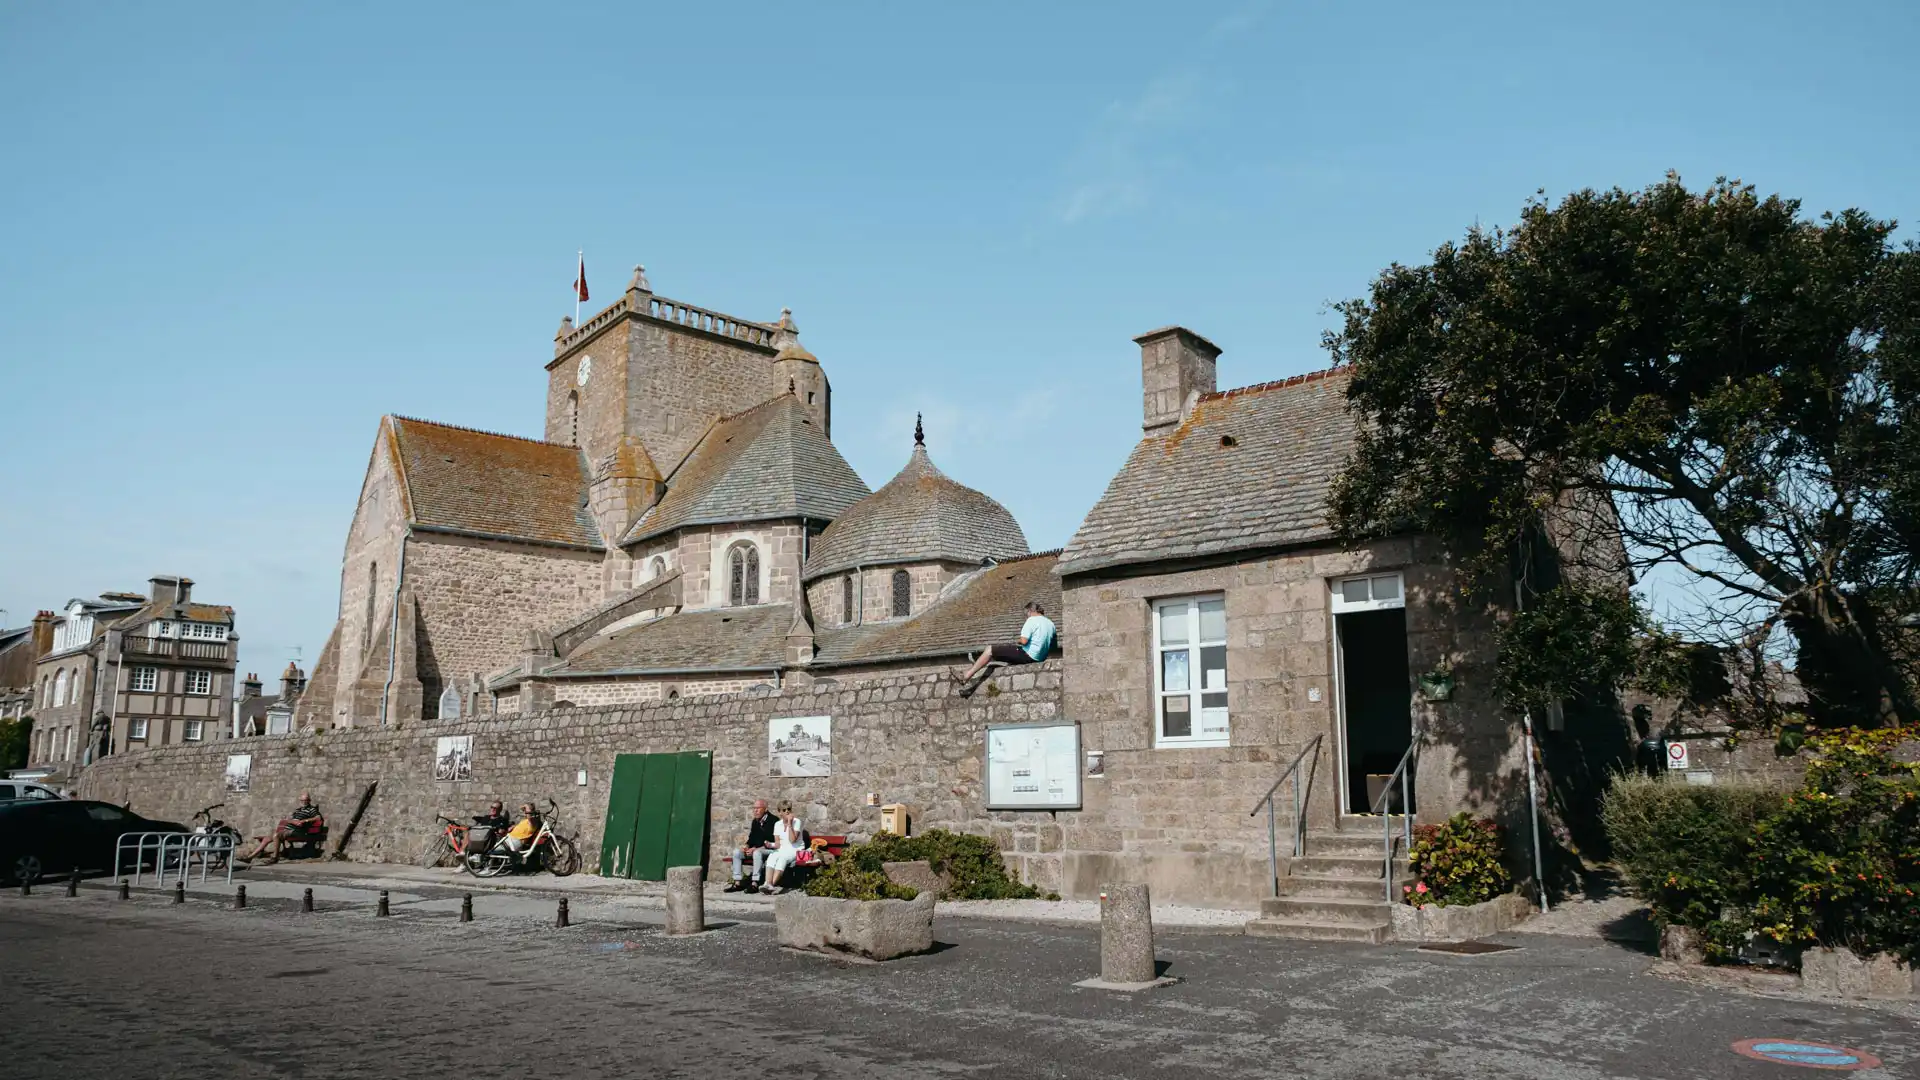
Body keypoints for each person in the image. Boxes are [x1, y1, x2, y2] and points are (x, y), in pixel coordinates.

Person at [955, 601, 1057, 697]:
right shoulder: (1051, 624)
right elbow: (1053, 646)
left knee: (990, 650)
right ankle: (970, 690)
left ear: (1030, 612)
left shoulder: (1031, 620)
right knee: (993, 665)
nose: (1026, 617)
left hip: (1027, 655)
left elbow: (1024, 641)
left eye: (1026, 615)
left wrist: (1018, 641)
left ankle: (966, 676)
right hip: (1039, 658)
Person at [238, 792, 324, 864]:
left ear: (309, 800)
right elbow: (290, 820)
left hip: (296, 831)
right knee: (267, 839)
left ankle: (275, 857)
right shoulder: (298, 810)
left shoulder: (311, 809)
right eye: (302, 800)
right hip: (287, 829)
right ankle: (250, 857)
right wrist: (291, 821)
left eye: (306, 800)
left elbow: (318, 818)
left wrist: (304, 821)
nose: (304, 802)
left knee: (276, 835)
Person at [724, 799, 779, 893]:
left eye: (758, 808)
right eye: (754, 808)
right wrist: (747, 846)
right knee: (737, 852)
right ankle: (737, 883)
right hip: (755, 850)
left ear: (765, 809)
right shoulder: (755, 822)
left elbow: (772, 841)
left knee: (757, 853)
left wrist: (755, 849)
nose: (755, 810)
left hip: (770, 850)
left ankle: (755, 883)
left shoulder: (774, 821)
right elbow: (751, 838)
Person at [759, 804, 807, 895]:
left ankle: (770, 885)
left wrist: (789, 824)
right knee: (772, 856)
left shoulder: (797, 821)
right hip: (782, 849)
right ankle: (768, 883)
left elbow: (792, 840)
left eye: (789, 809)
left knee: (782, 858)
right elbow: (777, 844)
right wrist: (770, 844)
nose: (787, 811)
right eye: (784, 810)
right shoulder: (777, 824)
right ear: (780, 812)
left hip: (795, 849)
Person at [1632, 707, 1668, 780]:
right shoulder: (1648, 725)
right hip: (1647, 749)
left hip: (1647, 749)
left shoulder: (1644, 725)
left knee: (1649, 764)